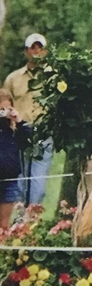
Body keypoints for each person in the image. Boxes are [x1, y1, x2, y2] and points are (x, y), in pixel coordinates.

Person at [3, 33, 52, 206]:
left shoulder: (52, 77)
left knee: (38, 185)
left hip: (43, 134)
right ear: (26, 51)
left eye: (40, 48)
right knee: (20, 182)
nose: (36, 51)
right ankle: (20, 219)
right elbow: (4, 104)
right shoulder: (13, 79)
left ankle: (31, 217)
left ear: (45, 51)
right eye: (33, 47)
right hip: (19, 134)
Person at [0, 89, 31, 229]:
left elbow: (27, 141)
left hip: (9, 179)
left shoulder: (12, 130)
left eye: (7, 109)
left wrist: (18, 120)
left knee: (4, 224)